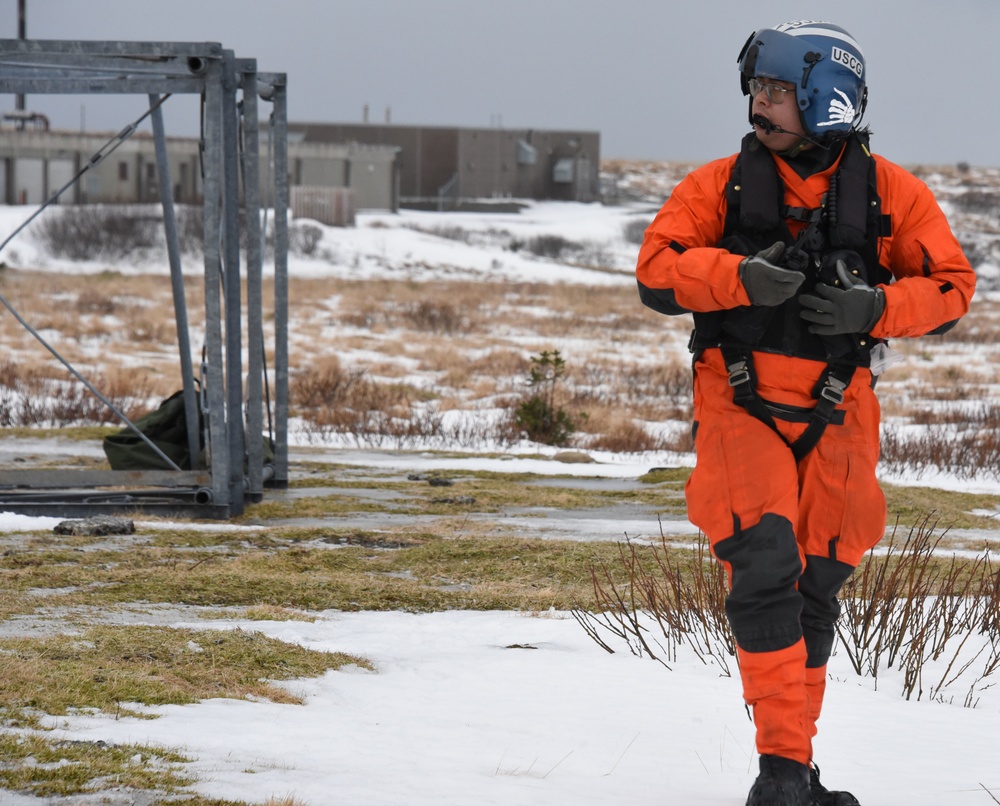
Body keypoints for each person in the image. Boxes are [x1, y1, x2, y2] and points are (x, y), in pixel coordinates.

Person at [635, 20, 976, 806]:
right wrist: (739, 279)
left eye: (778, 90)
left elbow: (953, 288)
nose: (761, 102)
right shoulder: (717, 185)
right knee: (763, 566)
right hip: (739, 400)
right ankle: (783, 772)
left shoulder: (892, 193)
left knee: (817, 581)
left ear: (828, 98)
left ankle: (791, 773)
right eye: (757, 87)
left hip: (839, 410)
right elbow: (656, 272)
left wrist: (878, 304)